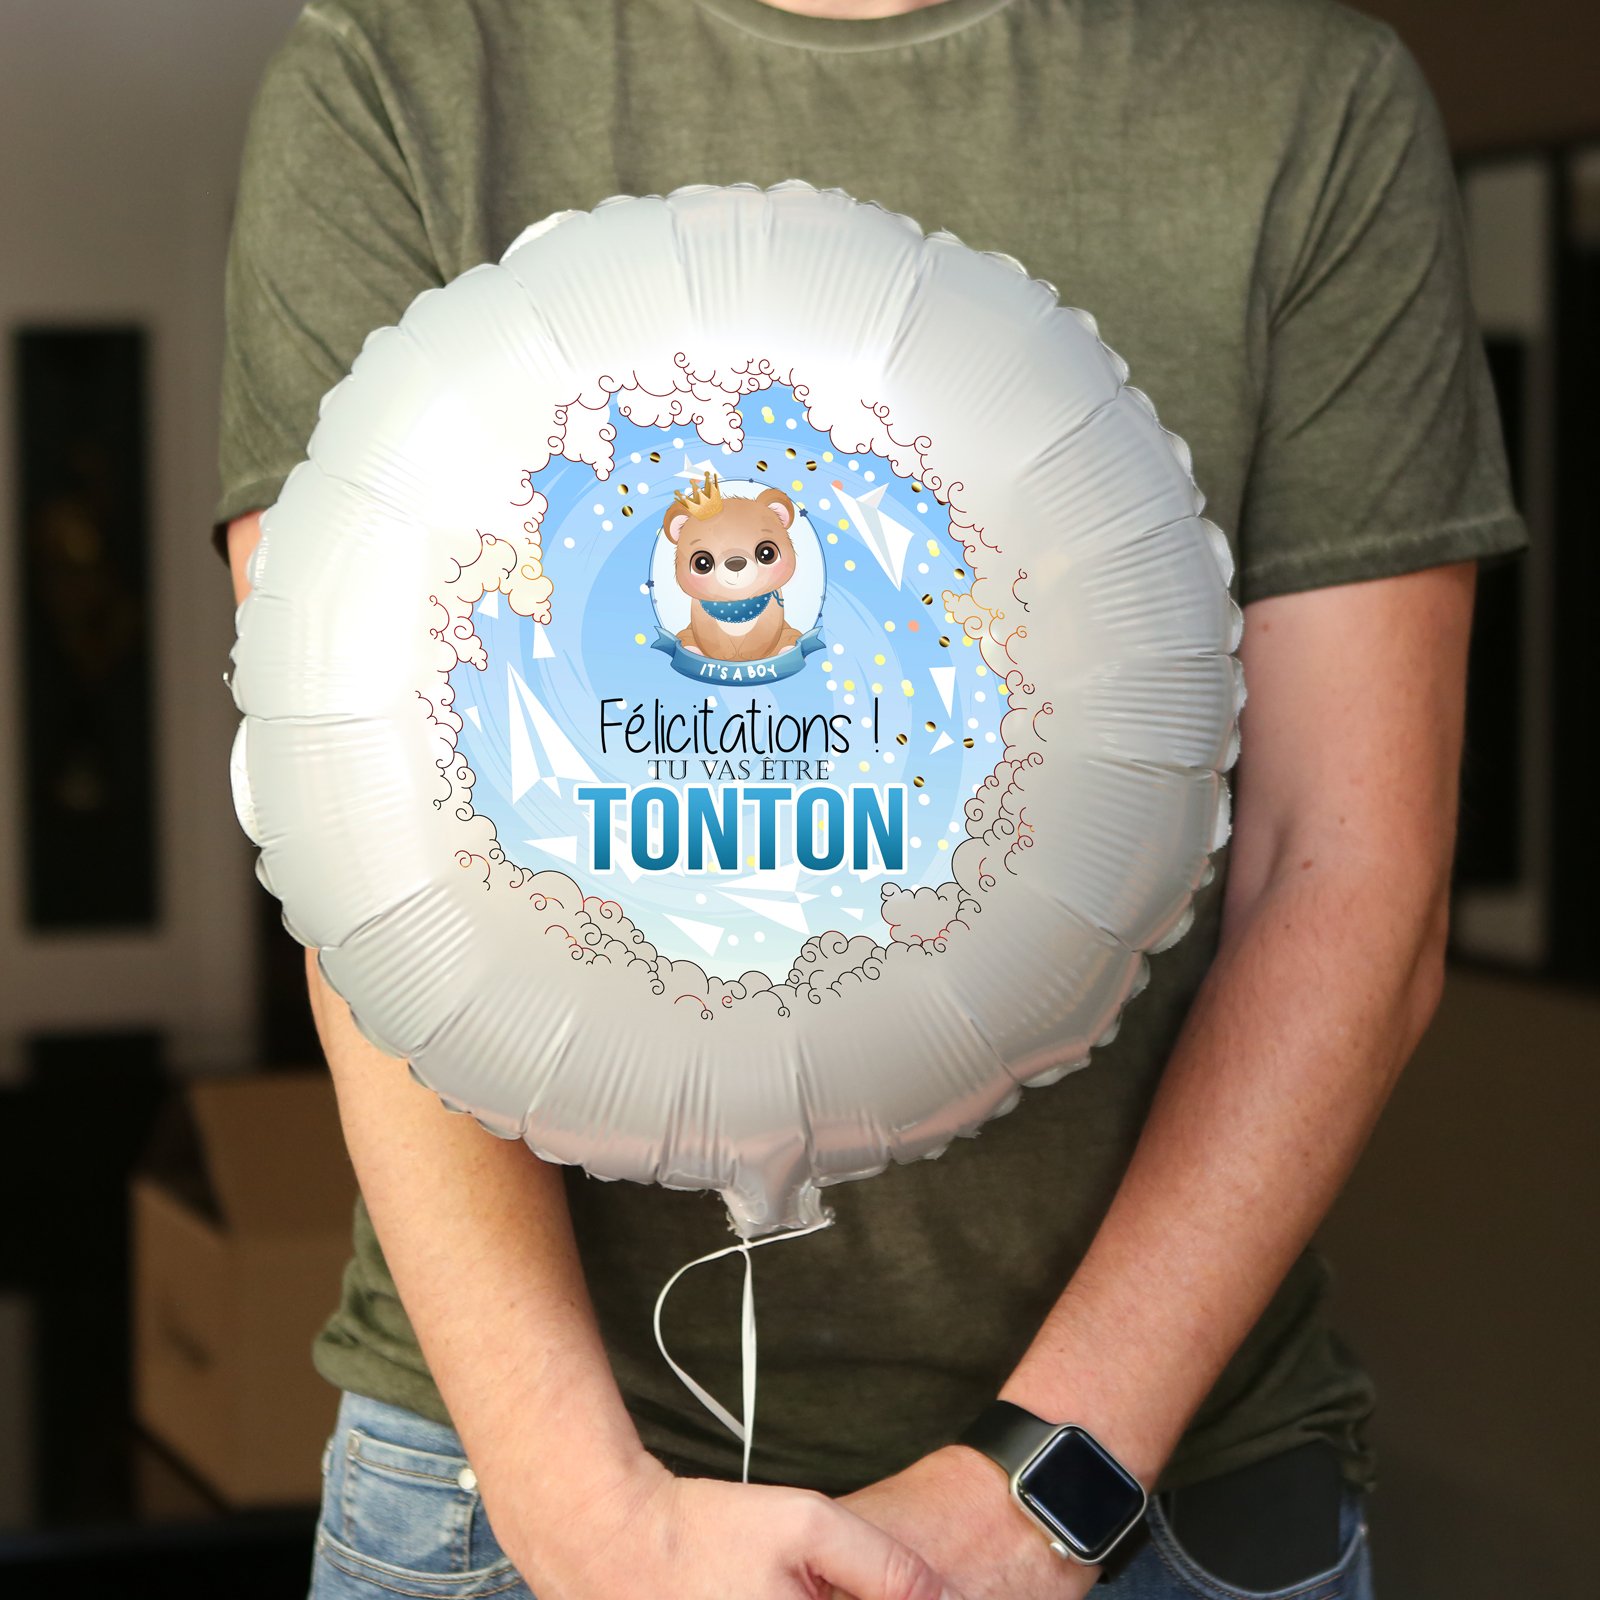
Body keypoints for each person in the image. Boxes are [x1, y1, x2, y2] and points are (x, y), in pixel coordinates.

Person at [214, 2, 1526, 1596]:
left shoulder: (1305, 103)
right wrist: (584, 1516)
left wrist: (1043, 1493)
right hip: (513, 1493)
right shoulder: (396, 73)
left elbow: (1347, 870)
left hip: (1152, 1492)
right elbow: (366, 840)